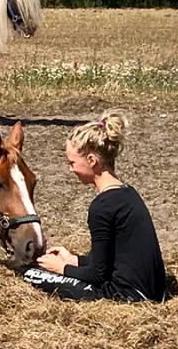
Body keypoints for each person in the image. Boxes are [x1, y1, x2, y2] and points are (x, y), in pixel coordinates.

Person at [23, 110, 166, 302]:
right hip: (153, 292)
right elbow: (110, 260)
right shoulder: (128, 193)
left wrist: (61, 268)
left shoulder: (102, 207)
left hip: (124, 295)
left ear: (91, 160)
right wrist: (73, 260)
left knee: (31, 274)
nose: (70, 169)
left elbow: (98, 275)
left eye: (72, 162)